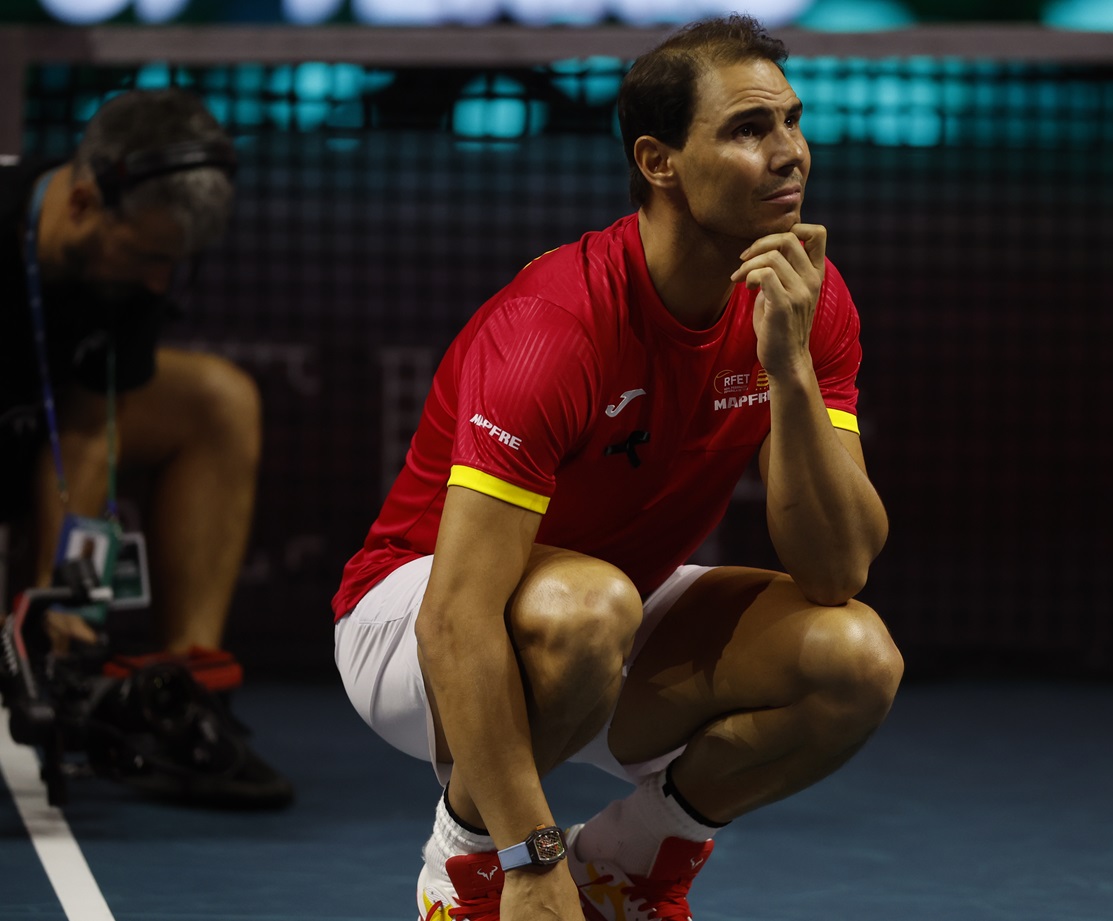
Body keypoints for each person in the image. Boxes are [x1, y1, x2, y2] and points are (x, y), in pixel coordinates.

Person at [332, 14, 903, 921]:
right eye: (750, 129)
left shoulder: (807, 298)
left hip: (606, 611)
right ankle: (465, 866)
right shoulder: (554, 327)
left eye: (792, 121)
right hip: (413, 619)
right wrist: (526, 857)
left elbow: (837, 570)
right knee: (587, 604)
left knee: (854, 658)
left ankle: (630, 867)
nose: (790, 152)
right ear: (659, 161)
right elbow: (457, 616)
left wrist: (788, 370)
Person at [1, 88, 290, 808]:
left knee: (217, 401)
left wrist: (64, 600)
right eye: (148, 256)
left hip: (36, 430)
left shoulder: (128, 279)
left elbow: (94, 428)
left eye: (175, 262)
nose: (159, 282)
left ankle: (178, 693)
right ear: (82, 203)